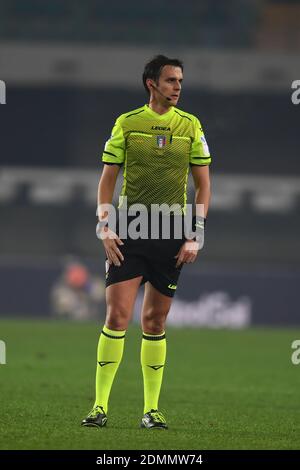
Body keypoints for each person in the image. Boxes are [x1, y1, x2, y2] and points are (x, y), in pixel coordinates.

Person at [81, 55, 211, 430]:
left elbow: (203, 185)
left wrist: (196, 234)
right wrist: (105, 225)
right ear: (151, 83)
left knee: (154, 321)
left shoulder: (191, 126)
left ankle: (151, 410)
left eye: (181, 81)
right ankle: (99, 407)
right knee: (117, 317)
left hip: (172, 232)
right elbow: (108, 178)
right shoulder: (127, 123)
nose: (178, 87)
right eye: (171, 80)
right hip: (130, 228)